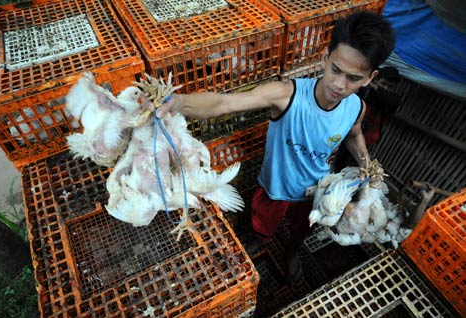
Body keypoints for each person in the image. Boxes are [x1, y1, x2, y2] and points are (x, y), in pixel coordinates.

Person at [155, 11, 396, 285]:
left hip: (315, 193)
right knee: (262, 225)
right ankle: (261, 241)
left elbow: (353, 134)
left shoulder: (356, 107)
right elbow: (225, 103)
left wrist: (366, 162)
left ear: (369, 78)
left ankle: (292, 252)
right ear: (325, 58)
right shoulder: (287, 95)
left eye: (353, 78)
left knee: (301, 229)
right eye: (336, 70)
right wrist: (181, 103)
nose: (339, 85)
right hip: (274, 187)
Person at [333, 66, 401, 171]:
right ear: (376, 79)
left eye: (389, 86)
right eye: (383, 84)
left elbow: (392, 102)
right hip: (350, 130)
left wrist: (376, 87)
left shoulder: (389, 98)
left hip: (367, 136)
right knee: (340, 161)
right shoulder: (364, 90)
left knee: (355, 164)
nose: (386, 88)